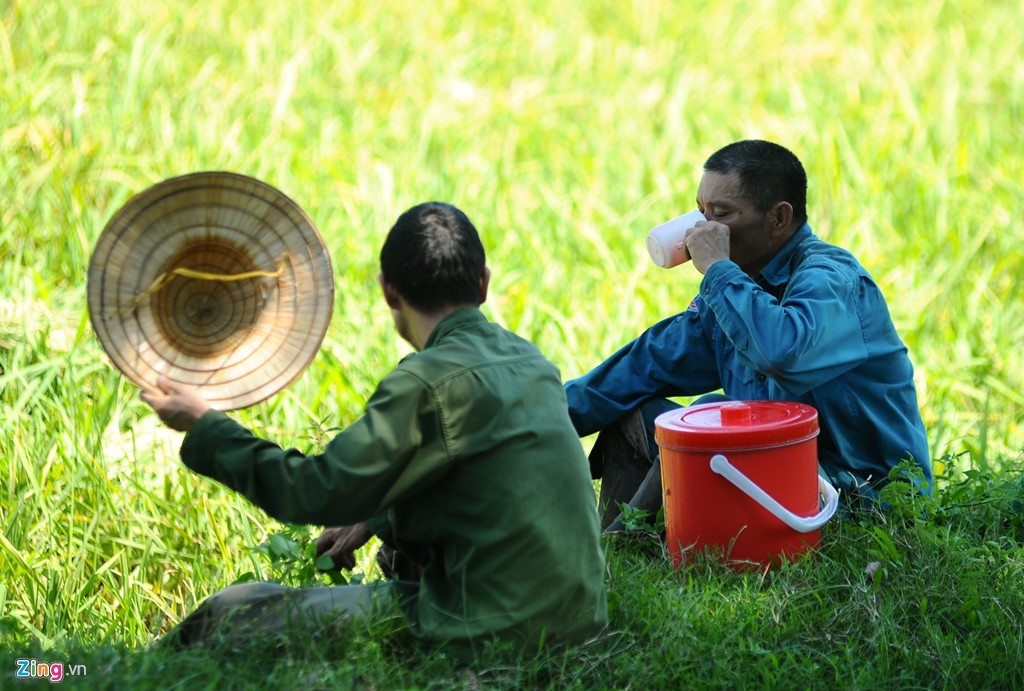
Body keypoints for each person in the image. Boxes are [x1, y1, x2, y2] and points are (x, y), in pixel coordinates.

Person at [141, 201, 608, 659]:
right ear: (483, 283)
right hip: (580, 623)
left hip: (491, 634)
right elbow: (482, 484)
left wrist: (206, 426)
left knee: (232, 609)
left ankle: (134, 670)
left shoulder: (424, 382)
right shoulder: (531, 361)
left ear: (389, 292)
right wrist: (372, 518)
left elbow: (311, 491)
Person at [565, 140, 932, 531]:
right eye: (700, 211)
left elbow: (780, 352)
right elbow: (643, 366)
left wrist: (718, 270)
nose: (702, 229)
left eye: (721, 214)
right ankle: (617, 548)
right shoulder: (736, 293)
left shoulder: (831, 280)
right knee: (632, 411)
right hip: (771, 473)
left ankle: (621, 542)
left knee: (714, 415)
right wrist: (538, 420)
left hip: (862, 498)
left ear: (778, 219)